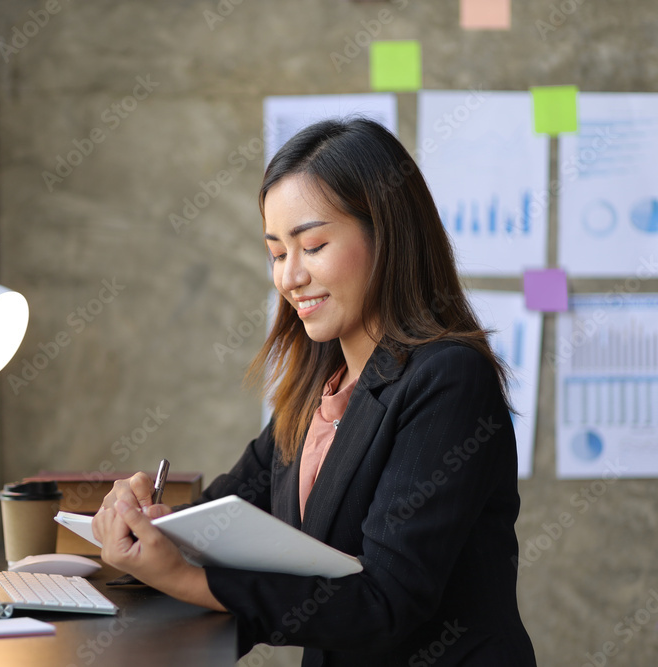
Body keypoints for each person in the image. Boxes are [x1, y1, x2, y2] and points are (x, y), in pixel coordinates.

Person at [91, 118, 537, 666]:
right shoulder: (314, 391)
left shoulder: (448, 380)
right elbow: (221, 520)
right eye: (277, 253)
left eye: (314, 245)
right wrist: (145, 521)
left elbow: (385, 603)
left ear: (388, 234)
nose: (289, 277)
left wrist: (183, 576)